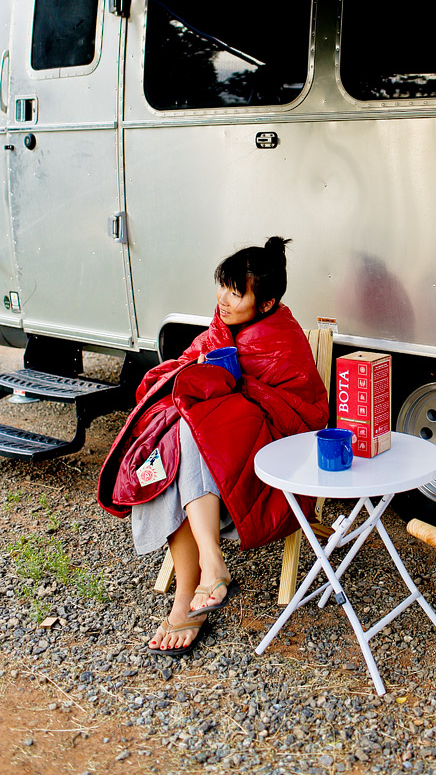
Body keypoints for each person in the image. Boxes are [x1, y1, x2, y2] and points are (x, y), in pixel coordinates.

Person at [97, 237, 329, 655]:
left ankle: (194, 589)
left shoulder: (282, 337)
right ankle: (208, 567)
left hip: (269, 447)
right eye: (222, 285)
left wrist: (230, 385)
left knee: (188, 433)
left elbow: (298, 412)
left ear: (267, 303)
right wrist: (204, 374)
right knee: (175, 446)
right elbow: (181, 370)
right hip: (216, 453)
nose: (222, 298)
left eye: (236, 292)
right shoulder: (222, 329)